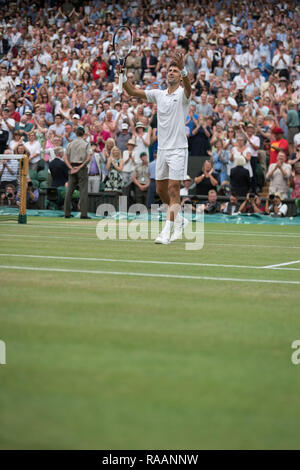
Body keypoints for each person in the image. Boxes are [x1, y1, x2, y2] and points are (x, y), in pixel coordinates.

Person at [121, 51, 192, 244]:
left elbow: (189, 88)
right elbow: (132, 92)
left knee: (173, 188)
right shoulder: (158, 94)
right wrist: (121, 74)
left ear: (180, 75)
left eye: (175, 70)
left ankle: (166, 232)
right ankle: (180, 220)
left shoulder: (183, 94)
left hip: (178, 149)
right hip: (162, 150)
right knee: (160, 190)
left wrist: (184, 69)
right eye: (169, 70)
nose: (171, 72)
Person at [64, 126, 92, 219]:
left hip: (72, 167)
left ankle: (67, 213)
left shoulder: (70, 144)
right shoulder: (86, 144)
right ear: (83, 134)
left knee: (69, 191)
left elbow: (65, 157)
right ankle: (83, 214)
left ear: (76, 134)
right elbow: (89, 158)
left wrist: (71, 167)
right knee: (83, 192)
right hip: (81, 168)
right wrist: (80, 167)